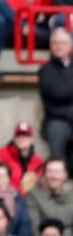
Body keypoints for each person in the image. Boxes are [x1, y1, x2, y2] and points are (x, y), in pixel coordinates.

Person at [39, 29, 73, 164]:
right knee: (57, 133)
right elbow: (58, 93)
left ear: (71, 46)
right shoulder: (45, 70)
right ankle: (57, 173)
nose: (59, 46)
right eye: (55, 43)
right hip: (58, 118)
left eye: (63, 43)